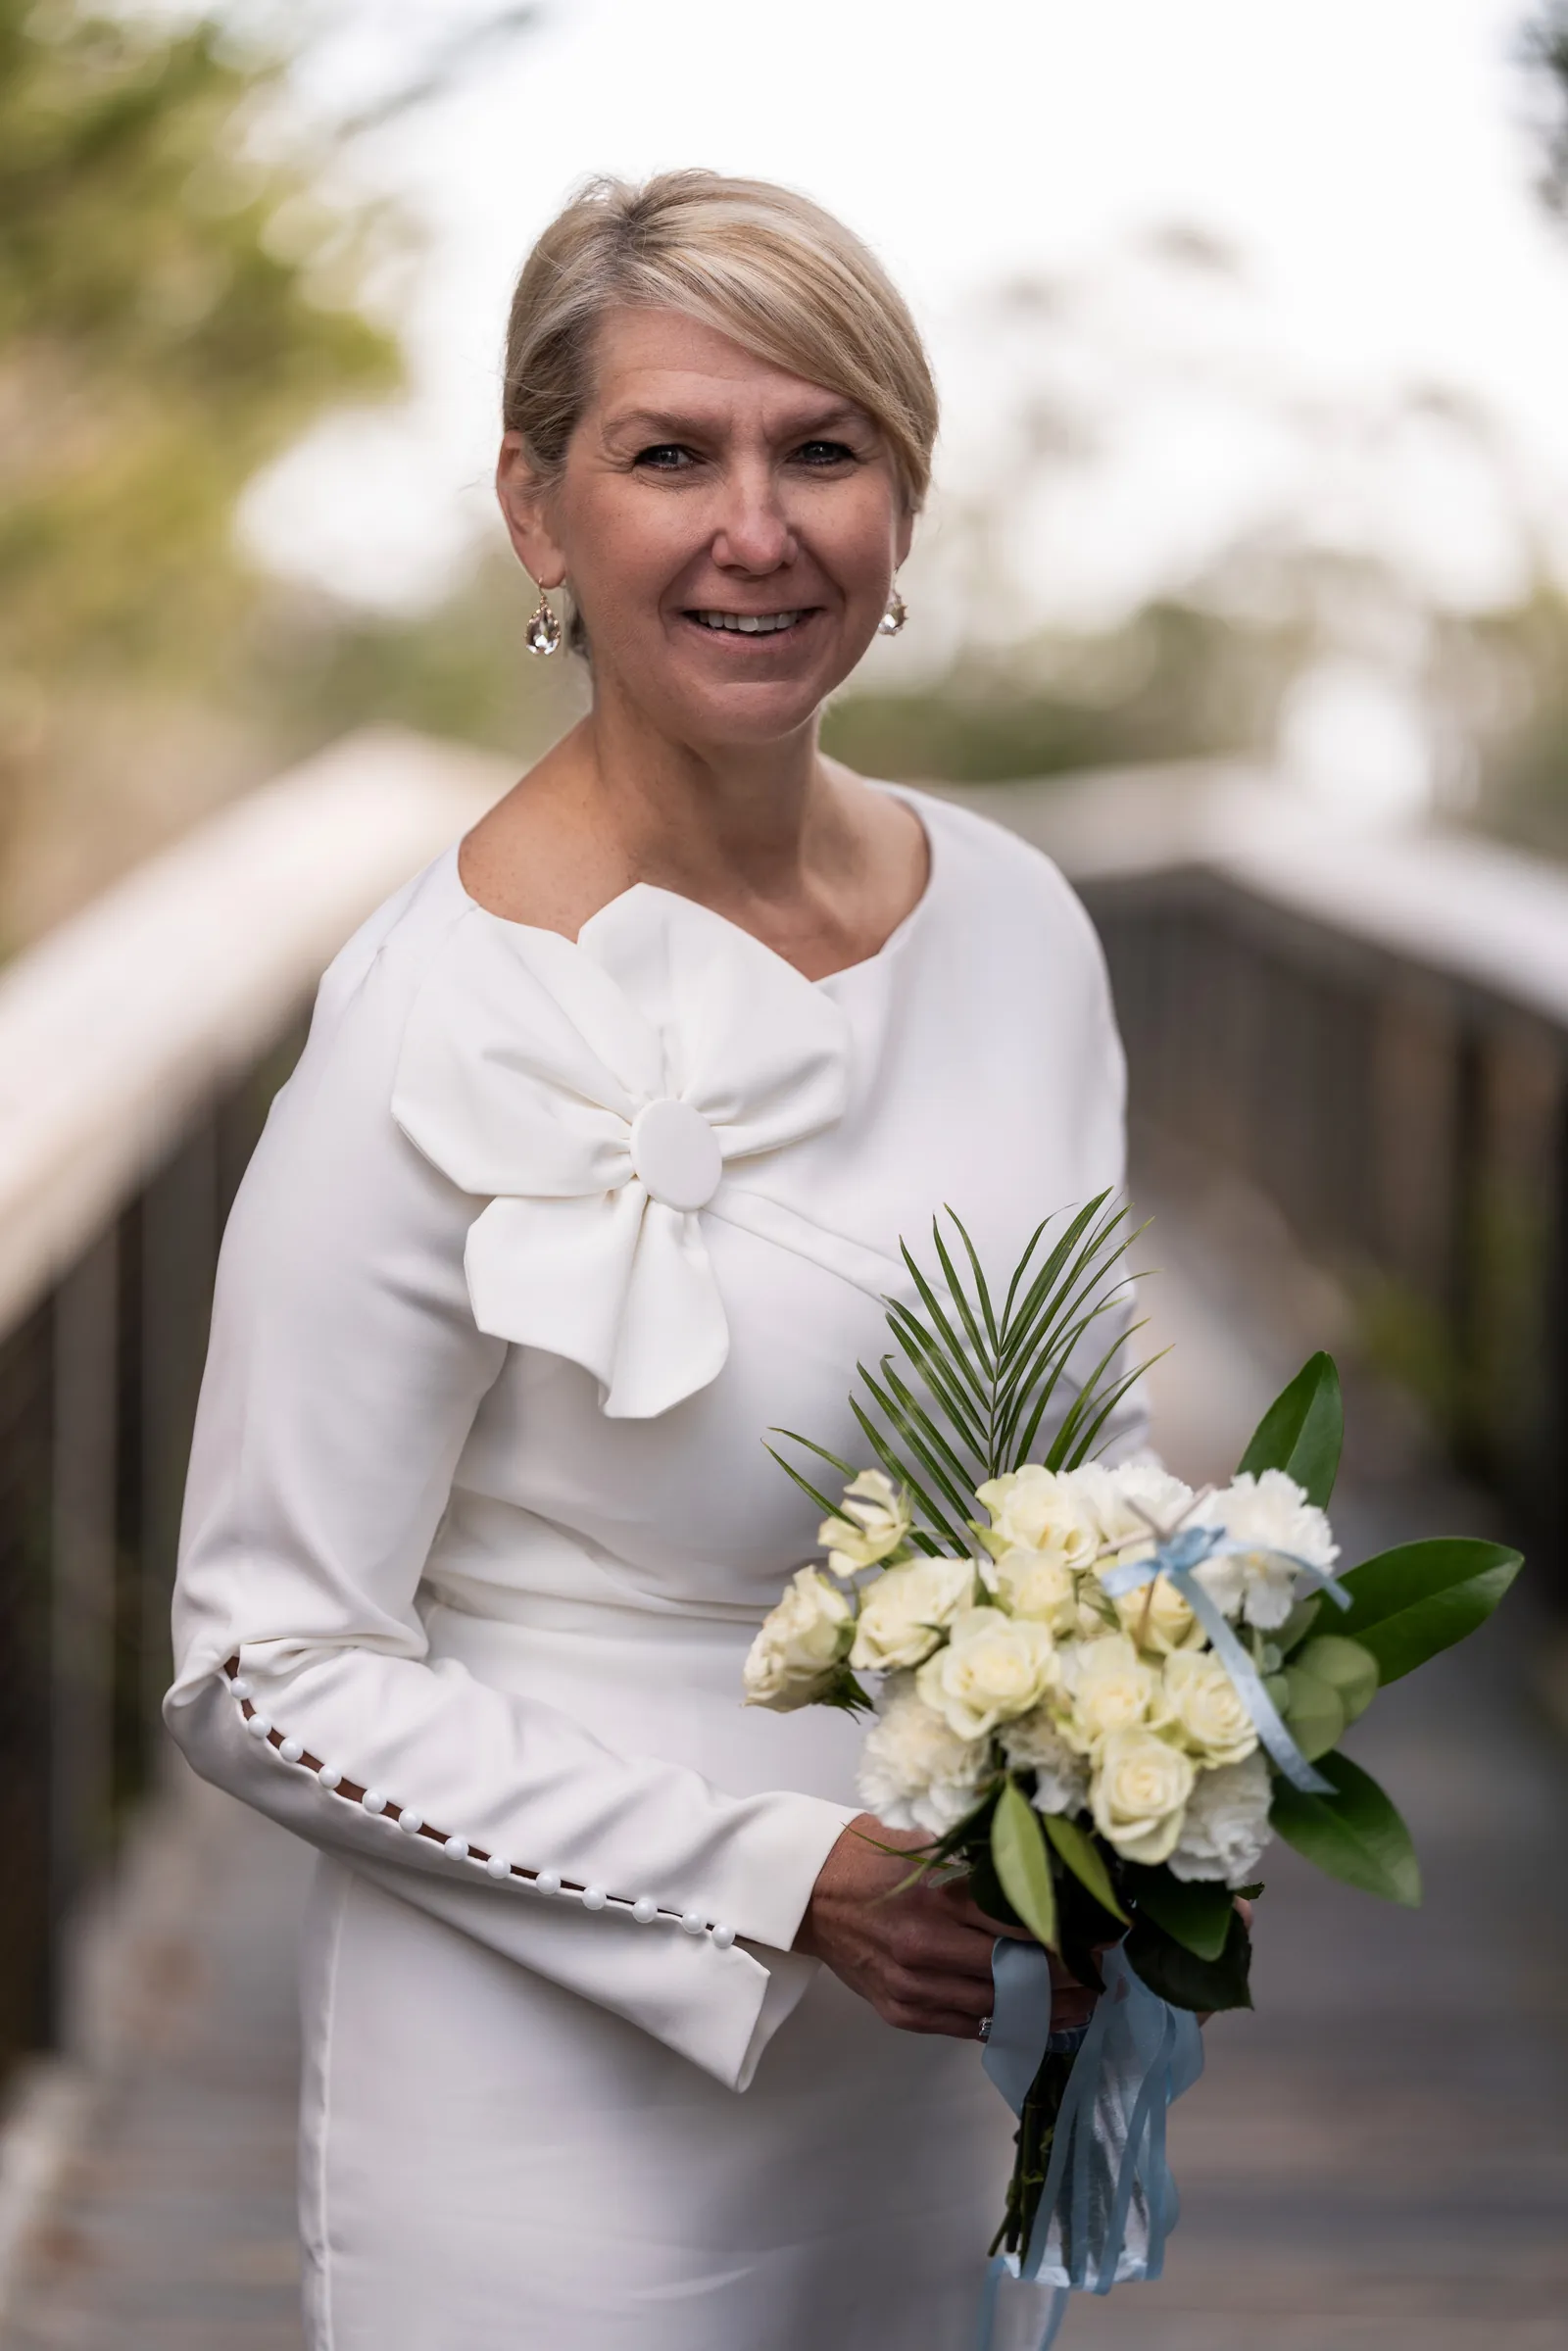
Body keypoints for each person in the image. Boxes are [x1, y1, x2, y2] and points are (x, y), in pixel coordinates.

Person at [166, 170, 1138, 2351]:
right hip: (554, 2069)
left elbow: (1104, 1456)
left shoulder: (1019, 923)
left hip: (943, 2048)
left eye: (823, 449)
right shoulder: (429, 1012)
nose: (755, 528)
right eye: (667, 453)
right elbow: (265, 1667)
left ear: (903, 494)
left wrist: (1139, 1772)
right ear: (537, 507)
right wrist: (777, 1878)